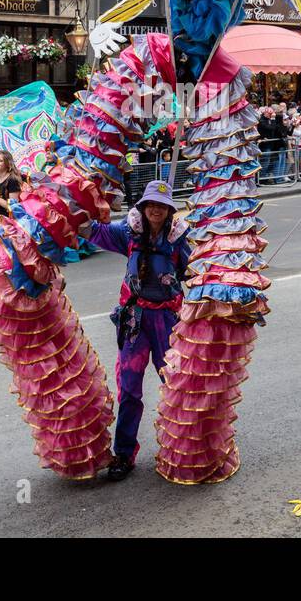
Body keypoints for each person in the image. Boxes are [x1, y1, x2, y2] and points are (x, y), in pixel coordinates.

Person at [86, 180, 191, 481]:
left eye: (162, 205)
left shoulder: (178, 240)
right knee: (129, 389)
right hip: (134, 321)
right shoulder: (128, 233)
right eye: (151, 204)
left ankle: (184, 447)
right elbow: (93, 231)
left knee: (176, 385)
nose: (156, 209)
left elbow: (196, 271)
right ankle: (123, 453)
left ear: (169, 209)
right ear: (144, 207)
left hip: (168, 323)